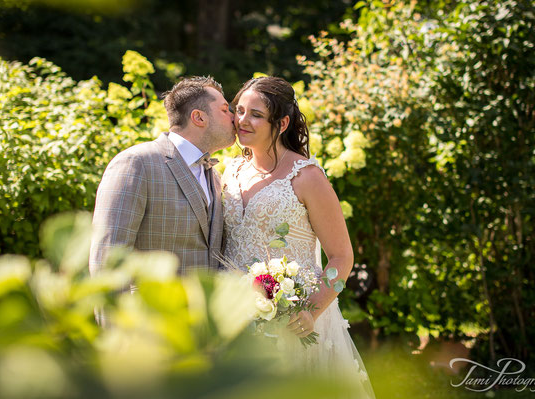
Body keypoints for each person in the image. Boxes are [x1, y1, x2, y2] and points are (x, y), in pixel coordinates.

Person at [222, 76, 375, 397]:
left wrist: (312, 311)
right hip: (234, 320)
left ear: (282, 123)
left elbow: (342, 257)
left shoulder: (307, 177)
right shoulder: (230, 170)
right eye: (239, 110)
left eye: (256, 114)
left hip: (293, 321)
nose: (242, 121)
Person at [90, 76, 236, 289]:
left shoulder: (214, 176)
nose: (234, 117)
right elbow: (107, 260)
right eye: (225, 110)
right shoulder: (136, 163)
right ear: (199, 117)